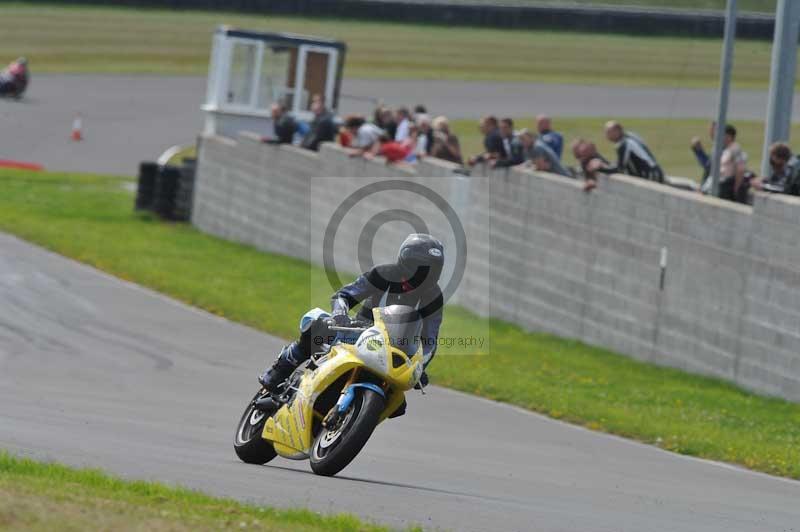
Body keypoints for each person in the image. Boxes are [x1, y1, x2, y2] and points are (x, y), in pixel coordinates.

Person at [259, 233, 445, 394]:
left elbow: (430, 340)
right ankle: (280, 369)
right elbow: (344, 295)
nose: (426, 275)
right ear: (406, 263)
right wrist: (340, 314)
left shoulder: (434, 297)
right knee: (318, 323)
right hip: (358, 334)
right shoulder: (383, 274)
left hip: (394, 351)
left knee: (399, 403)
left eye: (432, 270)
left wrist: (421, 366)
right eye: (422, 268)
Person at [599, 121, 664, 183]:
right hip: (654, 172)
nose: (606, 136)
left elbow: (619, 168)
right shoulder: (630, 136)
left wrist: (600, 168)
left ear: (617, 131)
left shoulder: (624, 144)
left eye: (608, 133)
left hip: (651, 175)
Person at [700, 124, 747, 201]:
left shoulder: (735, 148)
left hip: (727, 186)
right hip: (719, 183)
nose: (719, 137)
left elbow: (740, 169)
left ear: (729, 136)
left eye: (722, 135)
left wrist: (736, 188)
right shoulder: (724, 149)